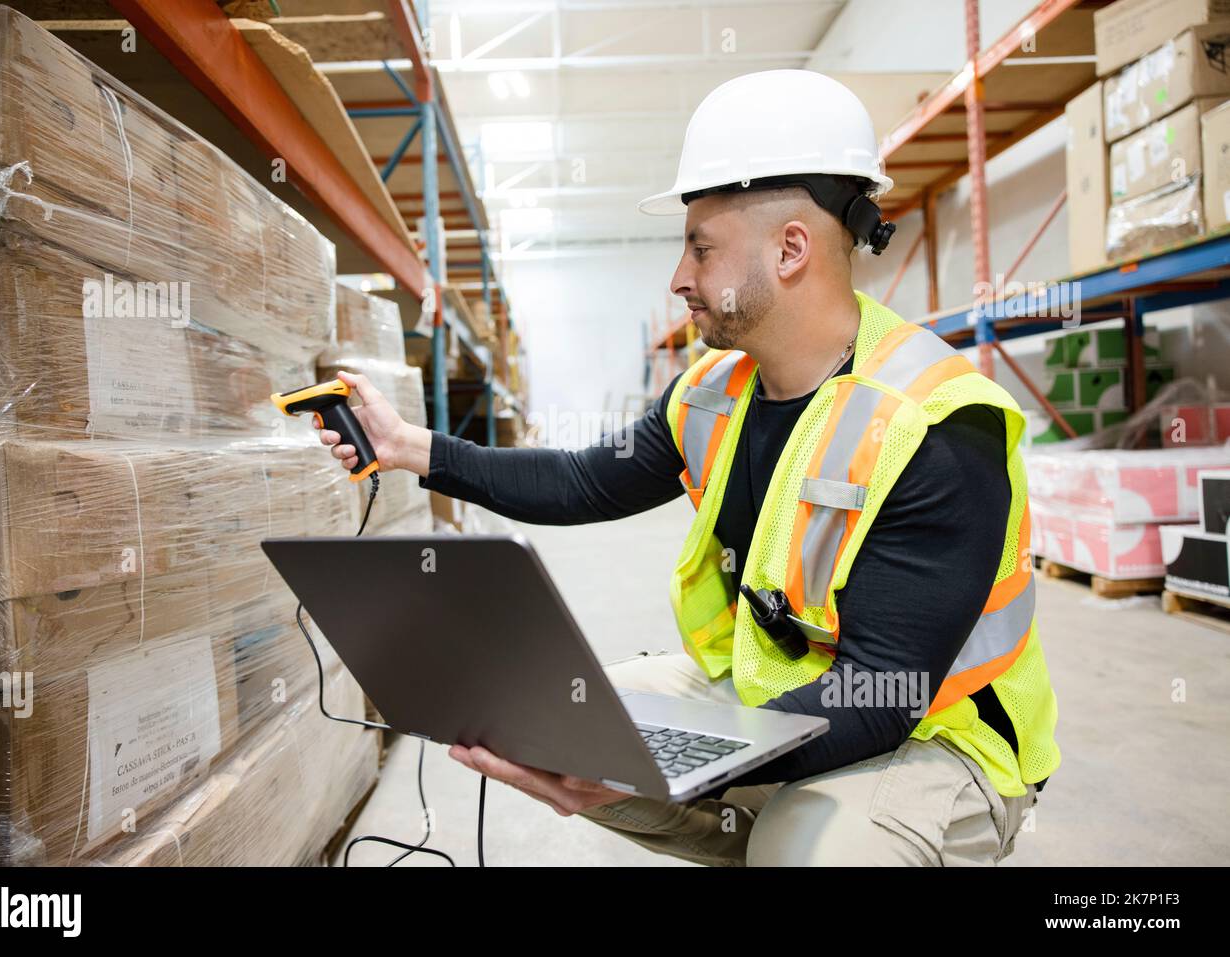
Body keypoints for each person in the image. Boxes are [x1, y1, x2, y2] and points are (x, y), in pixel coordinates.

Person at [317, 70, 1060, 867]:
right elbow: (581, 481)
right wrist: (409, 447)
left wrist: (687, 772)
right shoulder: (713, 394)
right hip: (782, 692)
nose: (678, 277)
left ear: (790, 249)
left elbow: (879, 697)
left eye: (700, 247)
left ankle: (805, 833)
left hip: (943, 740)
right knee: (556, 719)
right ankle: (771, 819)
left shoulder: (937, 424)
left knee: (804, 849)